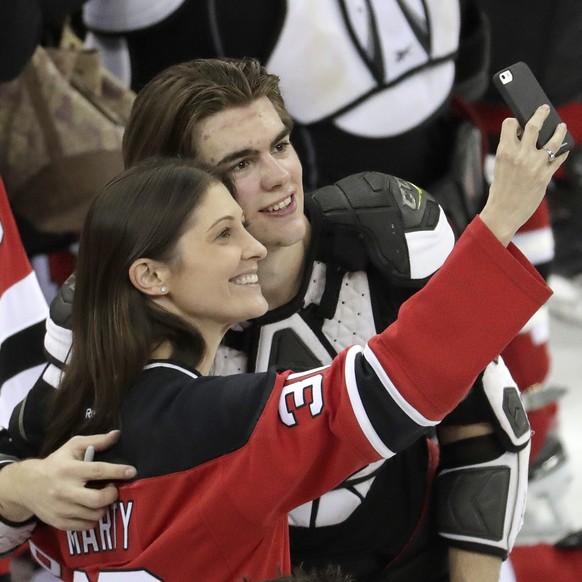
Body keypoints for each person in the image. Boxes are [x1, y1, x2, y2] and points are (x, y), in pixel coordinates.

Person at [0, 57, 559, 581]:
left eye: (281, 144)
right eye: (239, 164)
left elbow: (487, 428)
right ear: (168, 193)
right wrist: (23, 484)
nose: (279, 178)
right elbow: (394, 384)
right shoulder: (107, 314)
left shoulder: (386, 236)